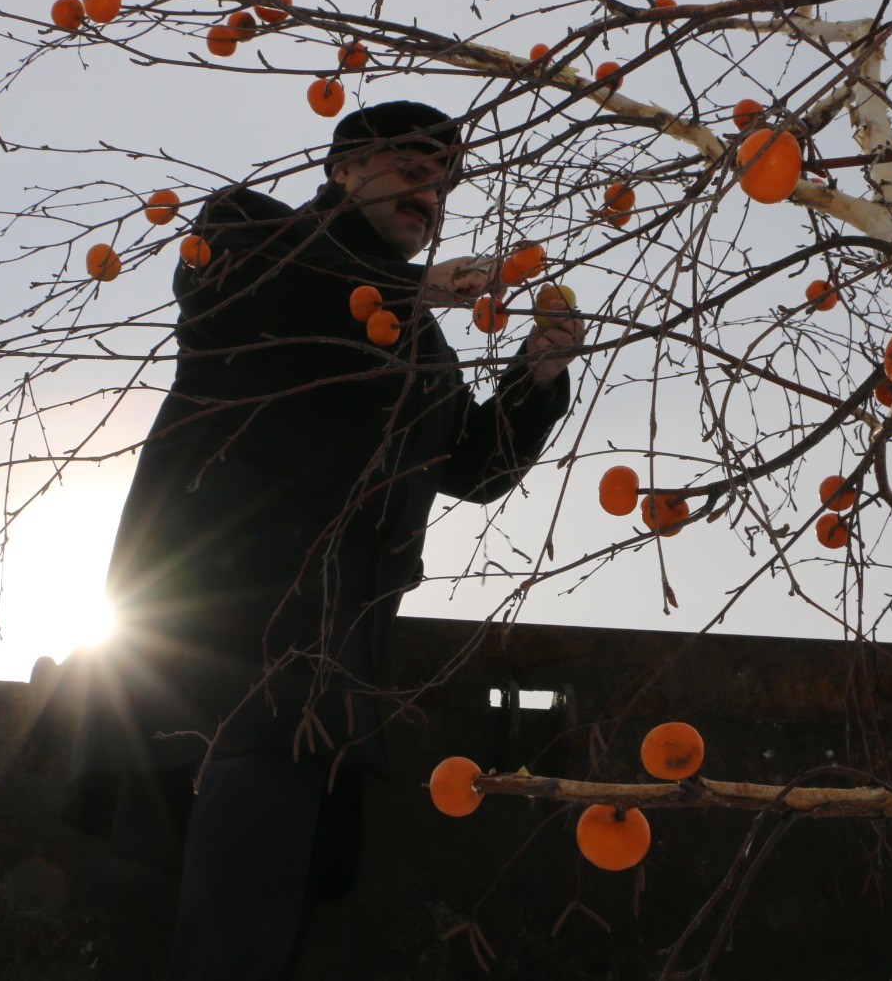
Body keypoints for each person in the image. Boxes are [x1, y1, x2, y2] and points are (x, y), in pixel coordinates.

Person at [61, 101, 581, 979]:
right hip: (221, 635)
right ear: (343, 168)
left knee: (260, 918)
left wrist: (539, 376)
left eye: (443, 182)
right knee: (223, 917)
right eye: (409, 167)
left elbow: (475, 467)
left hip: (331, 662)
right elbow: (240, 292)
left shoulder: (424, 349)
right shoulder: (248, 230)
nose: (431, 192)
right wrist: (411, 291)